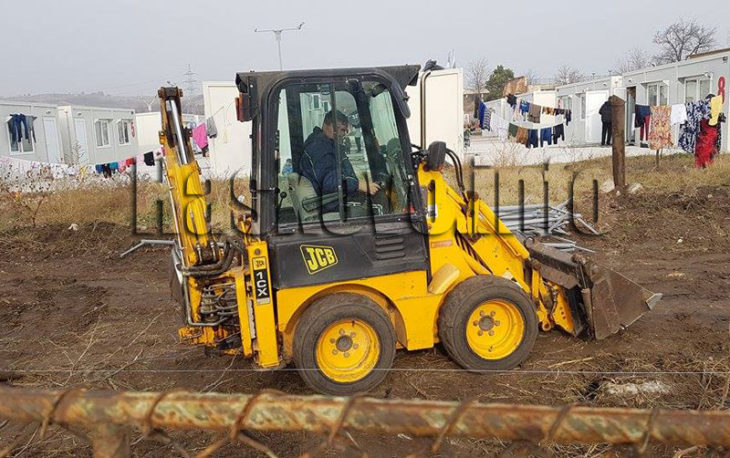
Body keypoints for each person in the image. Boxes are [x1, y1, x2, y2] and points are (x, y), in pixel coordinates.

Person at [299, 110, 379, 211]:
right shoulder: (320, 149)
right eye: (336, 128)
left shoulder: (328, 145)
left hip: (335, 200)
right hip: (331, 206)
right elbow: (329, 182)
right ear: (325, 125)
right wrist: (358, 185)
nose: (341, 133)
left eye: (343, 130)